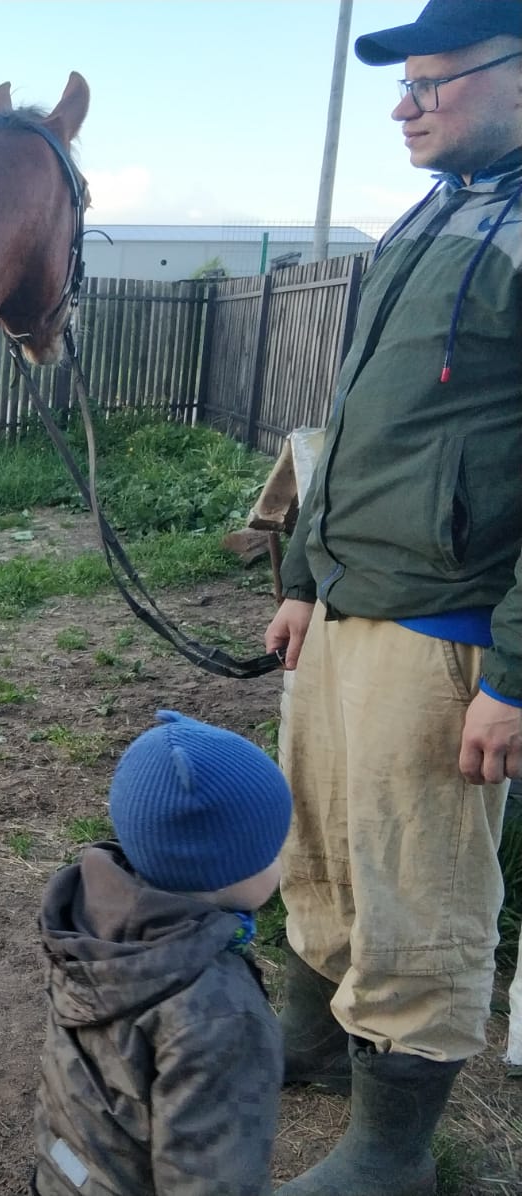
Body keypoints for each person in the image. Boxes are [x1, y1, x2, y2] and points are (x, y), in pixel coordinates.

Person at [263, 1, 522, 1192]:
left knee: (418, 886)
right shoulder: (432, 215)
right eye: (399, 82)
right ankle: (310, 1039)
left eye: (431, 81)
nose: (402, 105)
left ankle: (389, 1151)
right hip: (350, 608)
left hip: (447, 628)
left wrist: (513, 675)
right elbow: (360, 422)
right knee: (319, 840)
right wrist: (304, 579)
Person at [31, 710, 292, 1195]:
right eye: (273, 849)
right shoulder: (219, 1013)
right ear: (229, 870)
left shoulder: (87, 926)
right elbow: (213, 1178)